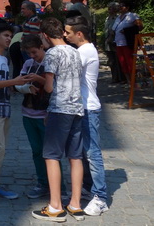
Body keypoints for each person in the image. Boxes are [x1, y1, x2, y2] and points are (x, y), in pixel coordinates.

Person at [32, 17, 86, 222]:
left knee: (52, 156)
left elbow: (49, 87)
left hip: (60, 108)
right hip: (77, 108)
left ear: (45, 36)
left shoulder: (52, 54)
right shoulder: (74, 51)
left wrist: (38, 82)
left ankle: (55, 206)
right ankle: (76, 204)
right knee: (75, 156)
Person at [0, 22, 33, 208]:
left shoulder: (3, 57)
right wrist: (13, 81)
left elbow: (6, 82)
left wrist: (23, 86)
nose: (9, 38)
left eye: (10, 35)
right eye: (6, 35)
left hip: (4, 107)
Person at [66, 16, 109, 217]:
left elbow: (67, 72)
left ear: (79, 33)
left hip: (89, 108)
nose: (65, 35)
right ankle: (88, 187)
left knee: (92, 153)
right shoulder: (81, 50)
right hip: (80, 108)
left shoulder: (85, 51)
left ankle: (100, 197)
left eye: (68, 32)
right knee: (82, 152)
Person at [14, 34, 55, 201]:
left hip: (45, 114)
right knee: (36, 151)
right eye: (29, 53)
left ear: (41, 47)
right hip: (28, 112)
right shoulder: (28, 64)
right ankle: (42, 182)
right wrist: (25, 87)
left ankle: (58, 187)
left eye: (34, 52)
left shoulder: (50, 63)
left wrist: (39, 79)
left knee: (50, 153)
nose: (32, 56)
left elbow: (54, 88)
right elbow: (17, 83)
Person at [113, 1, 142, 86]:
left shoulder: (132, 16)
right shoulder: (118, 17)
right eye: (120, 6)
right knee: (123, 63)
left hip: (127, 42)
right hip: (118, 42)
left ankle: (134, 81)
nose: (120, 8)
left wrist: (127, 31)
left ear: (127, 7)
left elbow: (139, 27)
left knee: (130, 62)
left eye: (122, 6)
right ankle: (129, 81)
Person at [102, 2, 122, 83]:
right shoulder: (107, 18)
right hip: (108, 42)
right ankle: (114, 77)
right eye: (109, 8)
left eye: (111, 8)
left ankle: (120, 77)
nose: (109, 10)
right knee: (111, 61)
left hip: (115, 41)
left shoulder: (118, 18)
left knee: (117, 60)